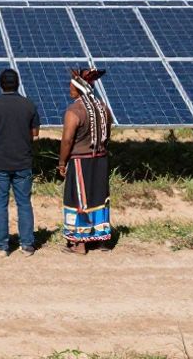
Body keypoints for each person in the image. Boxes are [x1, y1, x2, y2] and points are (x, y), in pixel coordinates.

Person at [0, 67, 39, 256]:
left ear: (0, 85)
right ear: (18, 83)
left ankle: (1, 245)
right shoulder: (29, 105)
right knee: (24, 203)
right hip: (23, 161)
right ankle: (27, 244)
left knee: (0, 204)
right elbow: (35, 134)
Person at [57, 67, 114, 255]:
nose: (69, 91)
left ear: (79, 89)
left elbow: (67, 140)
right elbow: (108, 133)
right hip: (101, 160)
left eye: (71, 88)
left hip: (80, 162)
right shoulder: (103, 107)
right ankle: (102, 240)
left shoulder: (74, 111)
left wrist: (62, 162)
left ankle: (79, 243)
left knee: (79, 200)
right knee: (99, 197)